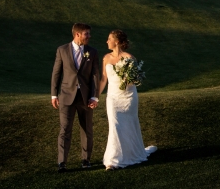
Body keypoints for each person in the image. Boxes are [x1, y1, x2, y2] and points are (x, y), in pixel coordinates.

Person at [99, 30, 157, 171]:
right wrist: (95, 96)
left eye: (109, 39)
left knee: (129, 125)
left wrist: (128, 78)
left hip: (128, 97)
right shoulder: (106, 58)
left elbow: (134, 79)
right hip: (113, 97)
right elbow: (103, 79)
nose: (107, 41)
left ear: (117, 41)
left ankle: (130, 153)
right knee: (115, 125)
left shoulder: (129, 58)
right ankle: (112, 161)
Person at [51, 23, 101, 173]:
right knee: (65, 129)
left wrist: (95, 96)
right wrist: (54, 94)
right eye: (87, 34)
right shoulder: (62, 50)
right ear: (77, 34)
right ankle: (62, 163)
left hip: (86, 98)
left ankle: (86, 160)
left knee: (87, 129)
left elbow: (95, 75)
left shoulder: (92, 52)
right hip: (66, 97)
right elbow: (56, 73)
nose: (89, 36)